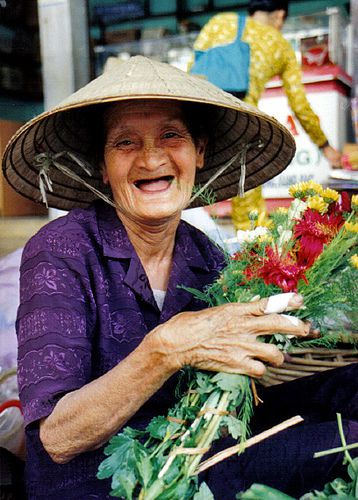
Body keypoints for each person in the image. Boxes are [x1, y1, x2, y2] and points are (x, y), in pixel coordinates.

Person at [2, 56, 356, 499]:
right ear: (101, 165)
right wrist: (164, 349)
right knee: (341, 448)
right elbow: (57, 437)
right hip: (116, 482)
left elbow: (226, 381)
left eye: (172, 135)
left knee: (348, 387)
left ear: (199, 151)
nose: (151, 158)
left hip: (199, 444)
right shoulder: (61, 251)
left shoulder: (204, 254)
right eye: (125, 143)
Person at [191, 0, 342, 229]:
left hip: (197, 115)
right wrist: (325, 145)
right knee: (249, 211)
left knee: (185, 194)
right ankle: (251, 257)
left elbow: (192, 69)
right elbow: (299, 104)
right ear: (279, 15)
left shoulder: (219, 22)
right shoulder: (281, 46)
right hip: (240, 124)